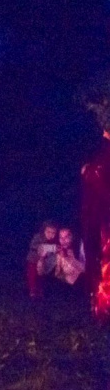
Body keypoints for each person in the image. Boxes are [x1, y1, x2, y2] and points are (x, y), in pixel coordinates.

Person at [82, 127, 110, 324]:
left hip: (102, 217)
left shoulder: (101, 160)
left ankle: (102, 308)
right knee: (99, 260)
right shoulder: (99, 156)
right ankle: (100, 307)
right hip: (98, 217)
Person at [26, 220, 58, 299]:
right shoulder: (38, 237)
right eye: (48, 232)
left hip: (44, 262)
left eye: (53, 233)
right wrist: (43, 247)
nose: (50, 235)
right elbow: (33, 245)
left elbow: (53, 250)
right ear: (43, 231)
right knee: (32, 275)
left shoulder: (53, 241)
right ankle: (32, 290)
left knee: (41, 277)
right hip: (33, 260)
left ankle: (40, 290)